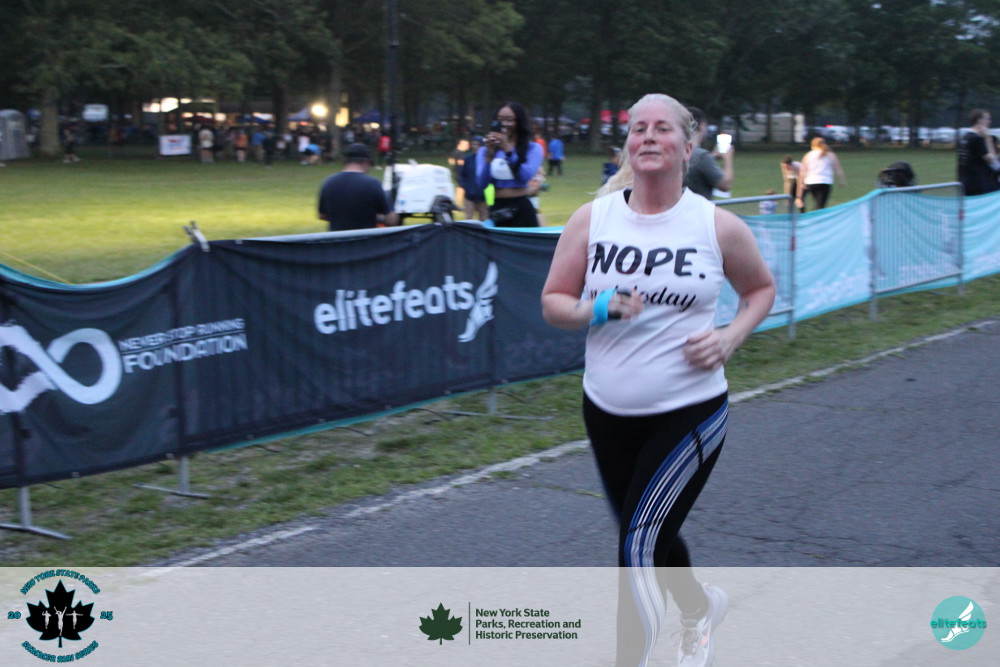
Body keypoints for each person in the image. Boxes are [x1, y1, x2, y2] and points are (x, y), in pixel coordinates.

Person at [541, 93, 775, 667]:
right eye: (638, 128)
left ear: (687, 147)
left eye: (662, 128)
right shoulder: (593, 219)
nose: (648, 136)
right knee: (647, 536)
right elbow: (553, 302)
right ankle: (700, 610)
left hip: (689, 411)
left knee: (639, 544)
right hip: (606, 412)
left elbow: (760, 290)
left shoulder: (715, 225)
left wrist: (730, 336)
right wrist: (597, 308)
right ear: (628, 145)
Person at [475, 101, 545, 227]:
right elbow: (482, 184)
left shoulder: (533, 148)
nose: (504, 124)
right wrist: (489, 157)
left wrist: (508, 149)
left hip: (521, 208)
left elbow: (525, 176)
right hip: (498, 208)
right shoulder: (485, 150)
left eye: (509, 120)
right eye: (500, 119)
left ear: (519, 122)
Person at [317, 143, 399, 231]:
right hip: (365, 238)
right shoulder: (372, 184)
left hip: (337, 238)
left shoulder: (328, 182)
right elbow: (391, 220)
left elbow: (322, 215)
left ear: (345, 161)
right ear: (366, 162)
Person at [683, 107, 733, 199]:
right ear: (702, 125)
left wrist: (711, 157)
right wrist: (728, 158)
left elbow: (694, 165)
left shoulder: (676, 152)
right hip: (698, 207)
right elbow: (725, 185)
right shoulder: (702, 156)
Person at [795, 137, 846, 211]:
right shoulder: (830, 155)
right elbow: (838, 169)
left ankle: (813, 215)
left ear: (812, 145)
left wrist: (801, 185)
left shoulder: (808, 155)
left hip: (810, 182)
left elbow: (802, 172)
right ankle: (815, 216)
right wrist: (841, 181)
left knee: (817, 203)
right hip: (825, 182)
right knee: (820, 205)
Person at [957, 109, 1000, 196]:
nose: (989, 122)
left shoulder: (965, 137)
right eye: (987, 119)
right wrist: (987, 138)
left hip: (964, 180)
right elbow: (992, 161)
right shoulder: (977, 139)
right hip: (978, 183)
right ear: (979, 120)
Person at [458, 136, 488, 221]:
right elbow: (462, 175)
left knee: (484, 218)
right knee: (468, 218)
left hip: (483, 194)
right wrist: (466, 187)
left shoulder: (486, 159)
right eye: (473, 144)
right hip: (470, 193)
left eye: (477, 144)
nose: (475, 147)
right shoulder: (468, 159)